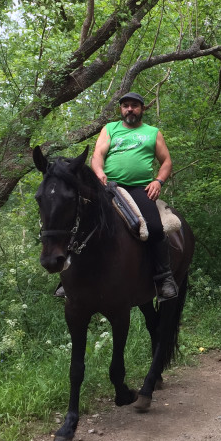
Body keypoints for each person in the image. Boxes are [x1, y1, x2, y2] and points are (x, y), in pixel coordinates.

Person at [88, 91, 178, 302]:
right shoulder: (110, 129)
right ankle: (68, 278)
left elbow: (166, 162)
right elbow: (98, 155)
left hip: (140, 188)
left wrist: (158, 181)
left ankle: (164, 278)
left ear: (142, 109)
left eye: (134, 106)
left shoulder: (152, 132)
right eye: (126, 105)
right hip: (109, 186)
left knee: (155, 227)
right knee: (81, 219)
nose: (130, 109)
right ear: (121, 109)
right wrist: (99, 172)